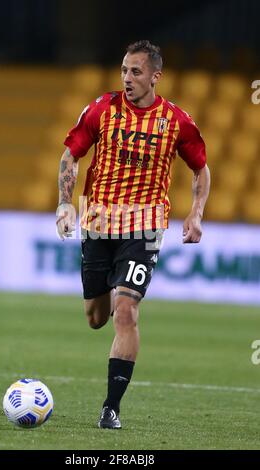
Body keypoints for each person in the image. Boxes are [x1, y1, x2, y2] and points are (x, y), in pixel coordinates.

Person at [56, 40, 210, 429]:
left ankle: (111, 407)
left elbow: (201, 169)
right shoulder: (101, 109)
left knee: (126, 310)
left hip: (144, 226)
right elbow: (70, 155)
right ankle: (110, 289)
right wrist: (64, 202)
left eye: (136, 72)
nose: (127, 78)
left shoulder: (176, 121)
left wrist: (195, 214)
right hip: (99, 221)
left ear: (155, 76)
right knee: (96, 317)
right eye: (124, 70)